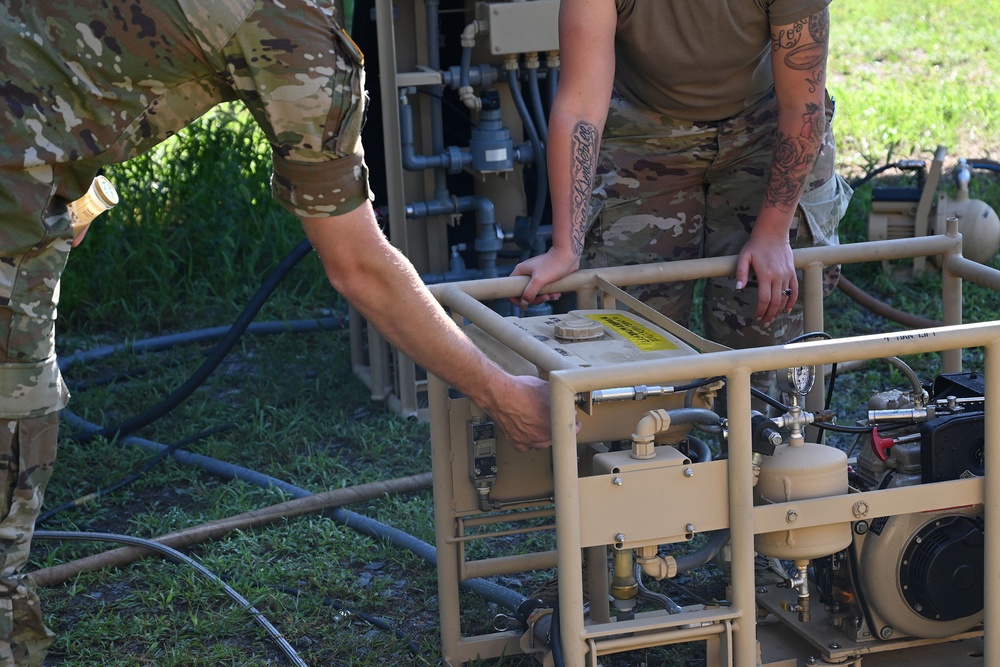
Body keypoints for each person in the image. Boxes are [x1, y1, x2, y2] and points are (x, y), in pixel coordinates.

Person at [0, 1, 551, 663]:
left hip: (27, 174)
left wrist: (67, 167)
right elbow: (359, 267)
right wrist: (500, 394)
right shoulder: (294, 33)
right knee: (14, 428)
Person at [513, 0, 852, 360]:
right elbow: (579, 108)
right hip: (644, 133)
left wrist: (772, 233)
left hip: (763, 129)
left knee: (764, 333)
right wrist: (565, 248)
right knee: (630, 336)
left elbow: (803, 105)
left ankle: (759, 416)